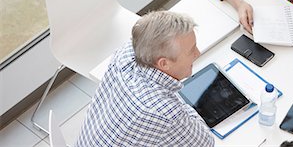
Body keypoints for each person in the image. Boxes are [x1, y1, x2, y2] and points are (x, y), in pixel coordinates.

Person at [74, 11, 214, 147]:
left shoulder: (125, 55)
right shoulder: (167, 113)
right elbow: (206, 142)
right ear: (163, 63)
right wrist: (181, 109)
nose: (198, 53)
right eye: (191, 50)